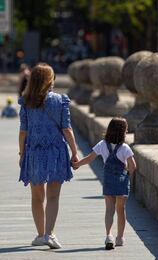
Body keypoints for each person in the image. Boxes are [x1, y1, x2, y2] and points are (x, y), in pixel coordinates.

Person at [18, 63, 78, 249]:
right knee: (53, 196)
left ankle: (40, 234)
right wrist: (75, 152)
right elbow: (67, 129)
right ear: (50, 80)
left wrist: (22, 154)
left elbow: (23, 131)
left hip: (34, 152)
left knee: (37, 197)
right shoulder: (60, 101)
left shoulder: (26, 102)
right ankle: (49, 234)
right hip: (56, 152)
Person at [72, 118, 136, 250]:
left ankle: (109, 235)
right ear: (123, 132)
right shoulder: (125, 148)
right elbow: (133, 166)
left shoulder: (102, 144)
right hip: (121, 181)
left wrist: (77, 164)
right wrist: (127, 174)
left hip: (108, 180)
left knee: (109, 210)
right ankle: (120, 238)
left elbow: (89, 158)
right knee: (121, 210)